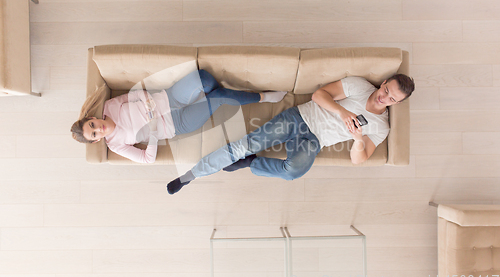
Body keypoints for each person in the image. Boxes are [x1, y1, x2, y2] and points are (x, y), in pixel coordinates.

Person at [167, 74, 415, 194]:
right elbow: (319, 95)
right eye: (386, 89)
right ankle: (191, 175)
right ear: (384, 83)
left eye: (392, 98)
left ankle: (252, 164)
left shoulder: (381, 126)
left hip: (314, 141)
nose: (384, 97)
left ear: (397, 103)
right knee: (246, 144)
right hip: (299, 118)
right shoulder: (360, 86)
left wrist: (359, 138)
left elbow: (358, 160)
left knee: (294, 171)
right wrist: (342, 113)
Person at [71, 69, 287, 163]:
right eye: (94, 134)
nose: (98, 128)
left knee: (205, 79)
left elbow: (135, 94)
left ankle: (212, 98)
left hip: (170, 98)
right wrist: (154, 131)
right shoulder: (115, 145)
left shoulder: (109, 106)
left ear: (92, 117)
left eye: (92, 124)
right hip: (178, 124)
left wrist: (147, 101)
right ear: (96, 140)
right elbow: (147, 159)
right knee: (219, 96)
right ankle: (263, 98)